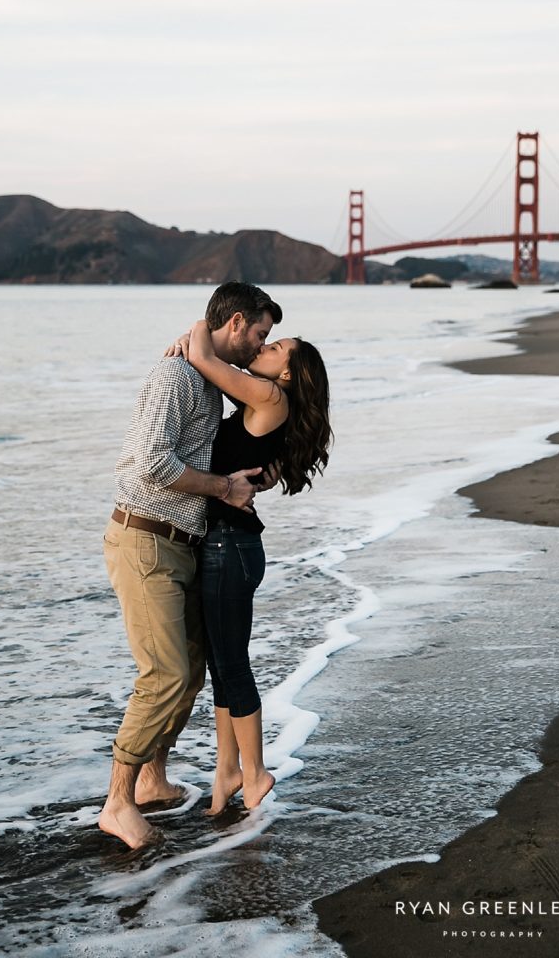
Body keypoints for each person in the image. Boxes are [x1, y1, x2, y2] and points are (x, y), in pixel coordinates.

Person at [98, 282, 283, 851]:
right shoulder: (177, 376)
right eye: (257, 334)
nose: (259, 347)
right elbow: (153, 462)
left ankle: (152, 779)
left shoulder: (204, 376)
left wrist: (257, 471)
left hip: (183, 543)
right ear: (232, 323)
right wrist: (225, 487)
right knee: (166, 674)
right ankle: (117, 802)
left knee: (194, 668)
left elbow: (233, 438)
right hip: (145, 537)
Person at [169, 318, 332, 816]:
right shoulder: (266, 407)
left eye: (275, 345)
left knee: (232, 665)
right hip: (226, 545)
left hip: (229, 548)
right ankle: (227, 772)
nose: (264, 347)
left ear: (289, 373)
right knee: (223, 663)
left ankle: (255, 772)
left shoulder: (270, 398)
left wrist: (200, 327)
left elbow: (204, 357)